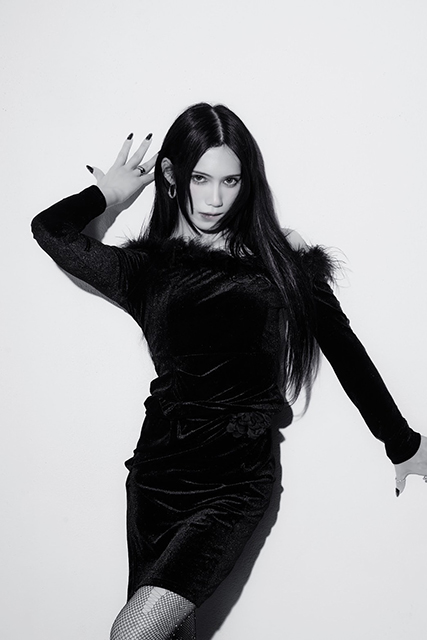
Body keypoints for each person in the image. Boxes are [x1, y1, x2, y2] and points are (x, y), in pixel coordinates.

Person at [31, 103, 427, 640]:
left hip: (234, 481)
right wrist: (109, 196)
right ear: (172, 176)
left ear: (247, 183)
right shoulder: (145, 269)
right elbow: (51, 231)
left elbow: (343, 348)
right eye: (200, 178)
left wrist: (402, 443)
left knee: (132, 633)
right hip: (156, 478)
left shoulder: (279, 261)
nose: (215, 199)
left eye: (230, 181)